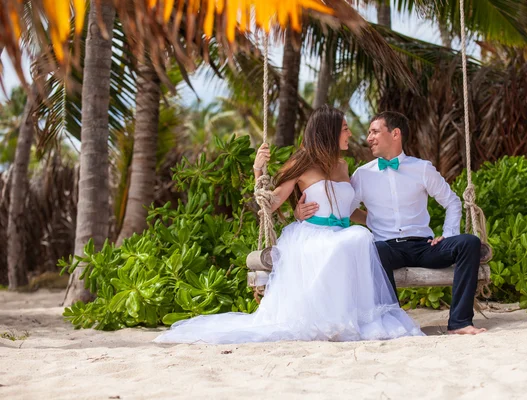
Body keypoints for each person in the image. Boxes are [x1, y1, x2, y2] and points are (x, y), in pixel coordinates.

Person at [154, 105, 424, 344]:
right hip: (314, 237)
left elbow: (350, 210)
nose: (350, 134)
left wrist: (388, 226)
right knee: (357, 239)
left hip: (341, 235)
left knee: (359, 237)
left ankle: (350, 316)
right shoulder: (302, 162)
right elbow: (271, 204)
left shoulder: (343, 167)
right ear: (329, 132)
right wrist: (259, 172)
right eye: (344, 129)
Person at [296, 111, 486, 335]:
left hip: (424, 245)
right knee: (376, 249)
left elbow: (453, 202)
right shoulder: (362, 175)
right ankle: (394, 324)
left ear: (395, 134)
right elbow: (341, 209)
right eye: (369, 133)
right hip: (386, 247)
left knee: (469, 243)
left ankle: (460, 322)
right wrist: (302, 212)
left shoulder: (422, 169)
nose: (369, 138)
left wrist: (449, 233)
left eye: (375, 131)